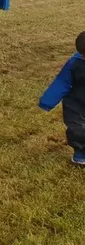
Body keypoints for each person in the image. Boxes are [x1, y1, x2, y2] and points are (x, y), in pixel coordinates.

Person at [39, 32, 85, 164]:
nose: (83, 57)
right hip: (75, 104)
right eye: (82, 54)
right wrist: (47, 101)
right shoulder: (75, 62)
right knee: (78, 129)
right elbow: (62, 82)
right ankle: (80, 154)